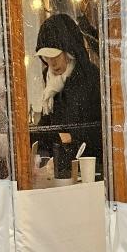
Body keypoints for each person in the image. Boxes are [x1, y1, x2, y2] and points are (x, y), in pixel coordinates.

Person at [32, 14, 103, 179]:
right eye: (46, 57)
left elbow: (101, 130)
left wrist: (70, 137)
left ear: (69, 51)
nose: (52, 63)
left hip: (91, 170)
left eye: (55, 56)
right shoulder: (50, 80)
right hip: (59, 166)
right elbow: (49, 121)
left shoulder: (90, 78)